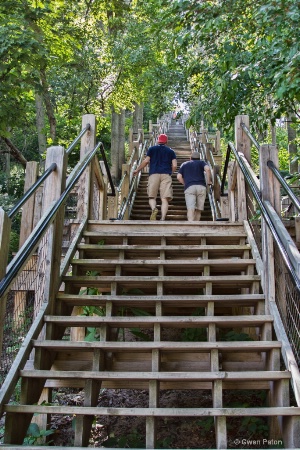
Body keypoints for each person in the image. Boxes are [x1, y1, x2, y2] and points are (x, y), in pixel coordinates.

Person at [133, 133, 177, 220]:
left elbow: (146, 161)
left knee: (152, 196)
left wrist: (137, 170)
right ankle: (163, 218)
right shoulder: (171, 151)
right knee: (164, 199)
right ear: (166, 141)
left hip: (154, 174)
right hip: (166, 175)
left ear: (158, 140)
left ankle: (154, 209)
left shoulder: (152, 149)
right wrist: (170, 172)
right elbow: (175, 165)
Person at [177, 152, 213, 221]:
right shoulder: (201, 162)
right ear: (199, 158)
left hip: (189, 187)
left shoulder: (184, 164)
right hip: (201, 187)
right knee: (199, 209)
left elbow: (178, 177)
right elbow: (208, 169)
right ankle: (197, 225)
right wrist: (209, 181)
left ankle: (191, 225)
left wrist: (185, 183)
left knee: (190, 208)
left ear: (190, 158)